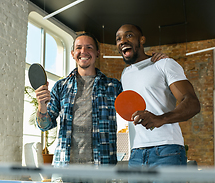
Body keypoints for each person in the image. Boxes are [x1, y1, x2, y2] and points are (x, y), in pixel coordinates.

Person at [35, 32, 167, 170]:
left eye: (89, 47)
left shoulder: (113, 86)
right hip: (65, 168)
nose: (83, 51)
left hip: (102, 169)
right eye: (79, 48)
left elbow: (138, 103)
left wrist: (153, 64)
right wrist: (42, 106)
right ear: (73, 54)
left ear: (97, 53)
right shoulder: (60, 87)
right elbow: (45, 125)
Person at [115, 24, 201, 183]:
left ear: (142, 40)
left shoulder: (164, 64)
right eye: (118, 38)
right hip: (136, 154)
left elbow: (192, 103)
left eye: (129, 35)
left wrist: (160, 119)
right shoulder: (125, 74)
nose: (122, 41)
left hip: (167, 151)